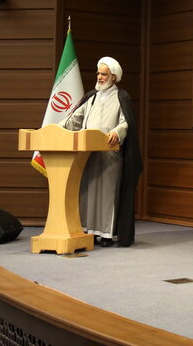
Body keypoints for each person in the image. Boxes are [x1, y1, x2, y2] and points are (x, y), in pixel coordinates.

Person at [61, 57, 143, 247]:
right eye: (98, 73)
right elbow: (74, 119)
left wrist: (116, 131)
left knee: (106, 194)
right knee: (88, 193)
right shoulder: (91, 97)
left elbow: (126, 122)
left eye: (103, 74)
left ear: (113, 77)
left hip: (109, 155)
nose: (99, 77)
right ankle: (89, 231)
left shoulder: (121, 96)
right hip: (88, 155)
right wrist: (55, 128)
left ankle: (106, 234)